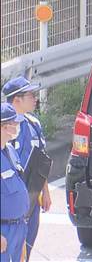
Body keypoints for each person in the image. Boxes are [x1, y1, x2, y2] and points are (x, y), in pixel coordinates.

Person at [2, 77, 51, 261]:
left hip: (30, 199)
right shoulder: (5, 129)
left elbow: (41, 160)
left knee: (26, 249)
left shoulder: (33, 124)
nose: (35, 98)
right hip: (8, 206)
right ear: (17, 100)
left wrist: (45, 192)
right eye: (31, 95)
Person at [1, 103, 29, 262]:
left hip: (18, 227)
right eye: (15, 124)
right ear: (4, 127)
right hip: (3, 231)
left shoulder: (10, 150)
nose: (18, 127)